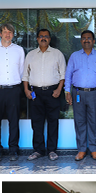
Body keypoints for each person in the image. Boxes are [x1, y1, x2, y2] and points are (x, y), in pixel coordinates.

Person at [22, 29, 66, 161]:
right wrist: (26, 90)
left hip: (53, 92)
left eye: (46, 36)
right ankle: (38, 150)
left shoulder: (57, 54)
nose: (43, 38)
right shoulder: (30, 55)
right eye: (41, 36)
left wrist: (59, 89)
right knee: (37, 122)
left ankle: (52, 150)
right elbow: (25, 75)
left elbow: (63, 74)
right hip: (35, 93)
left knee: (53, 121)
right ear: (37, 39)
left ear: (50, 39)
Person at [65, 30, 96, 161]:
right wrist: (67, 91)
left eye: (89, 38)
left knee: (93, 122)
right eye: (84, 38)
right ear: (81, 41)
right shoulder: (74, 56)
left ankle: (94, 150)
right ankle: (81, 150)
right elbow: (68, 75)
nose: (86, 40)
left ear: (93, 41)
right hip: (78, 93)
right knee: (79, 122)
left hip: (95, 93)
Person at [0, 23, 25, 162]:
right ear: (0, 33)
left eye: (10, 32)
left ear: (13, 34)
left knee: (14, 121)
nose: (7, 34)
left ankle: (13, 150)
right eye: (5, 32)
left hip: (14, 90)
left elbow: (21, 71)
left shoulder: (19, 50)